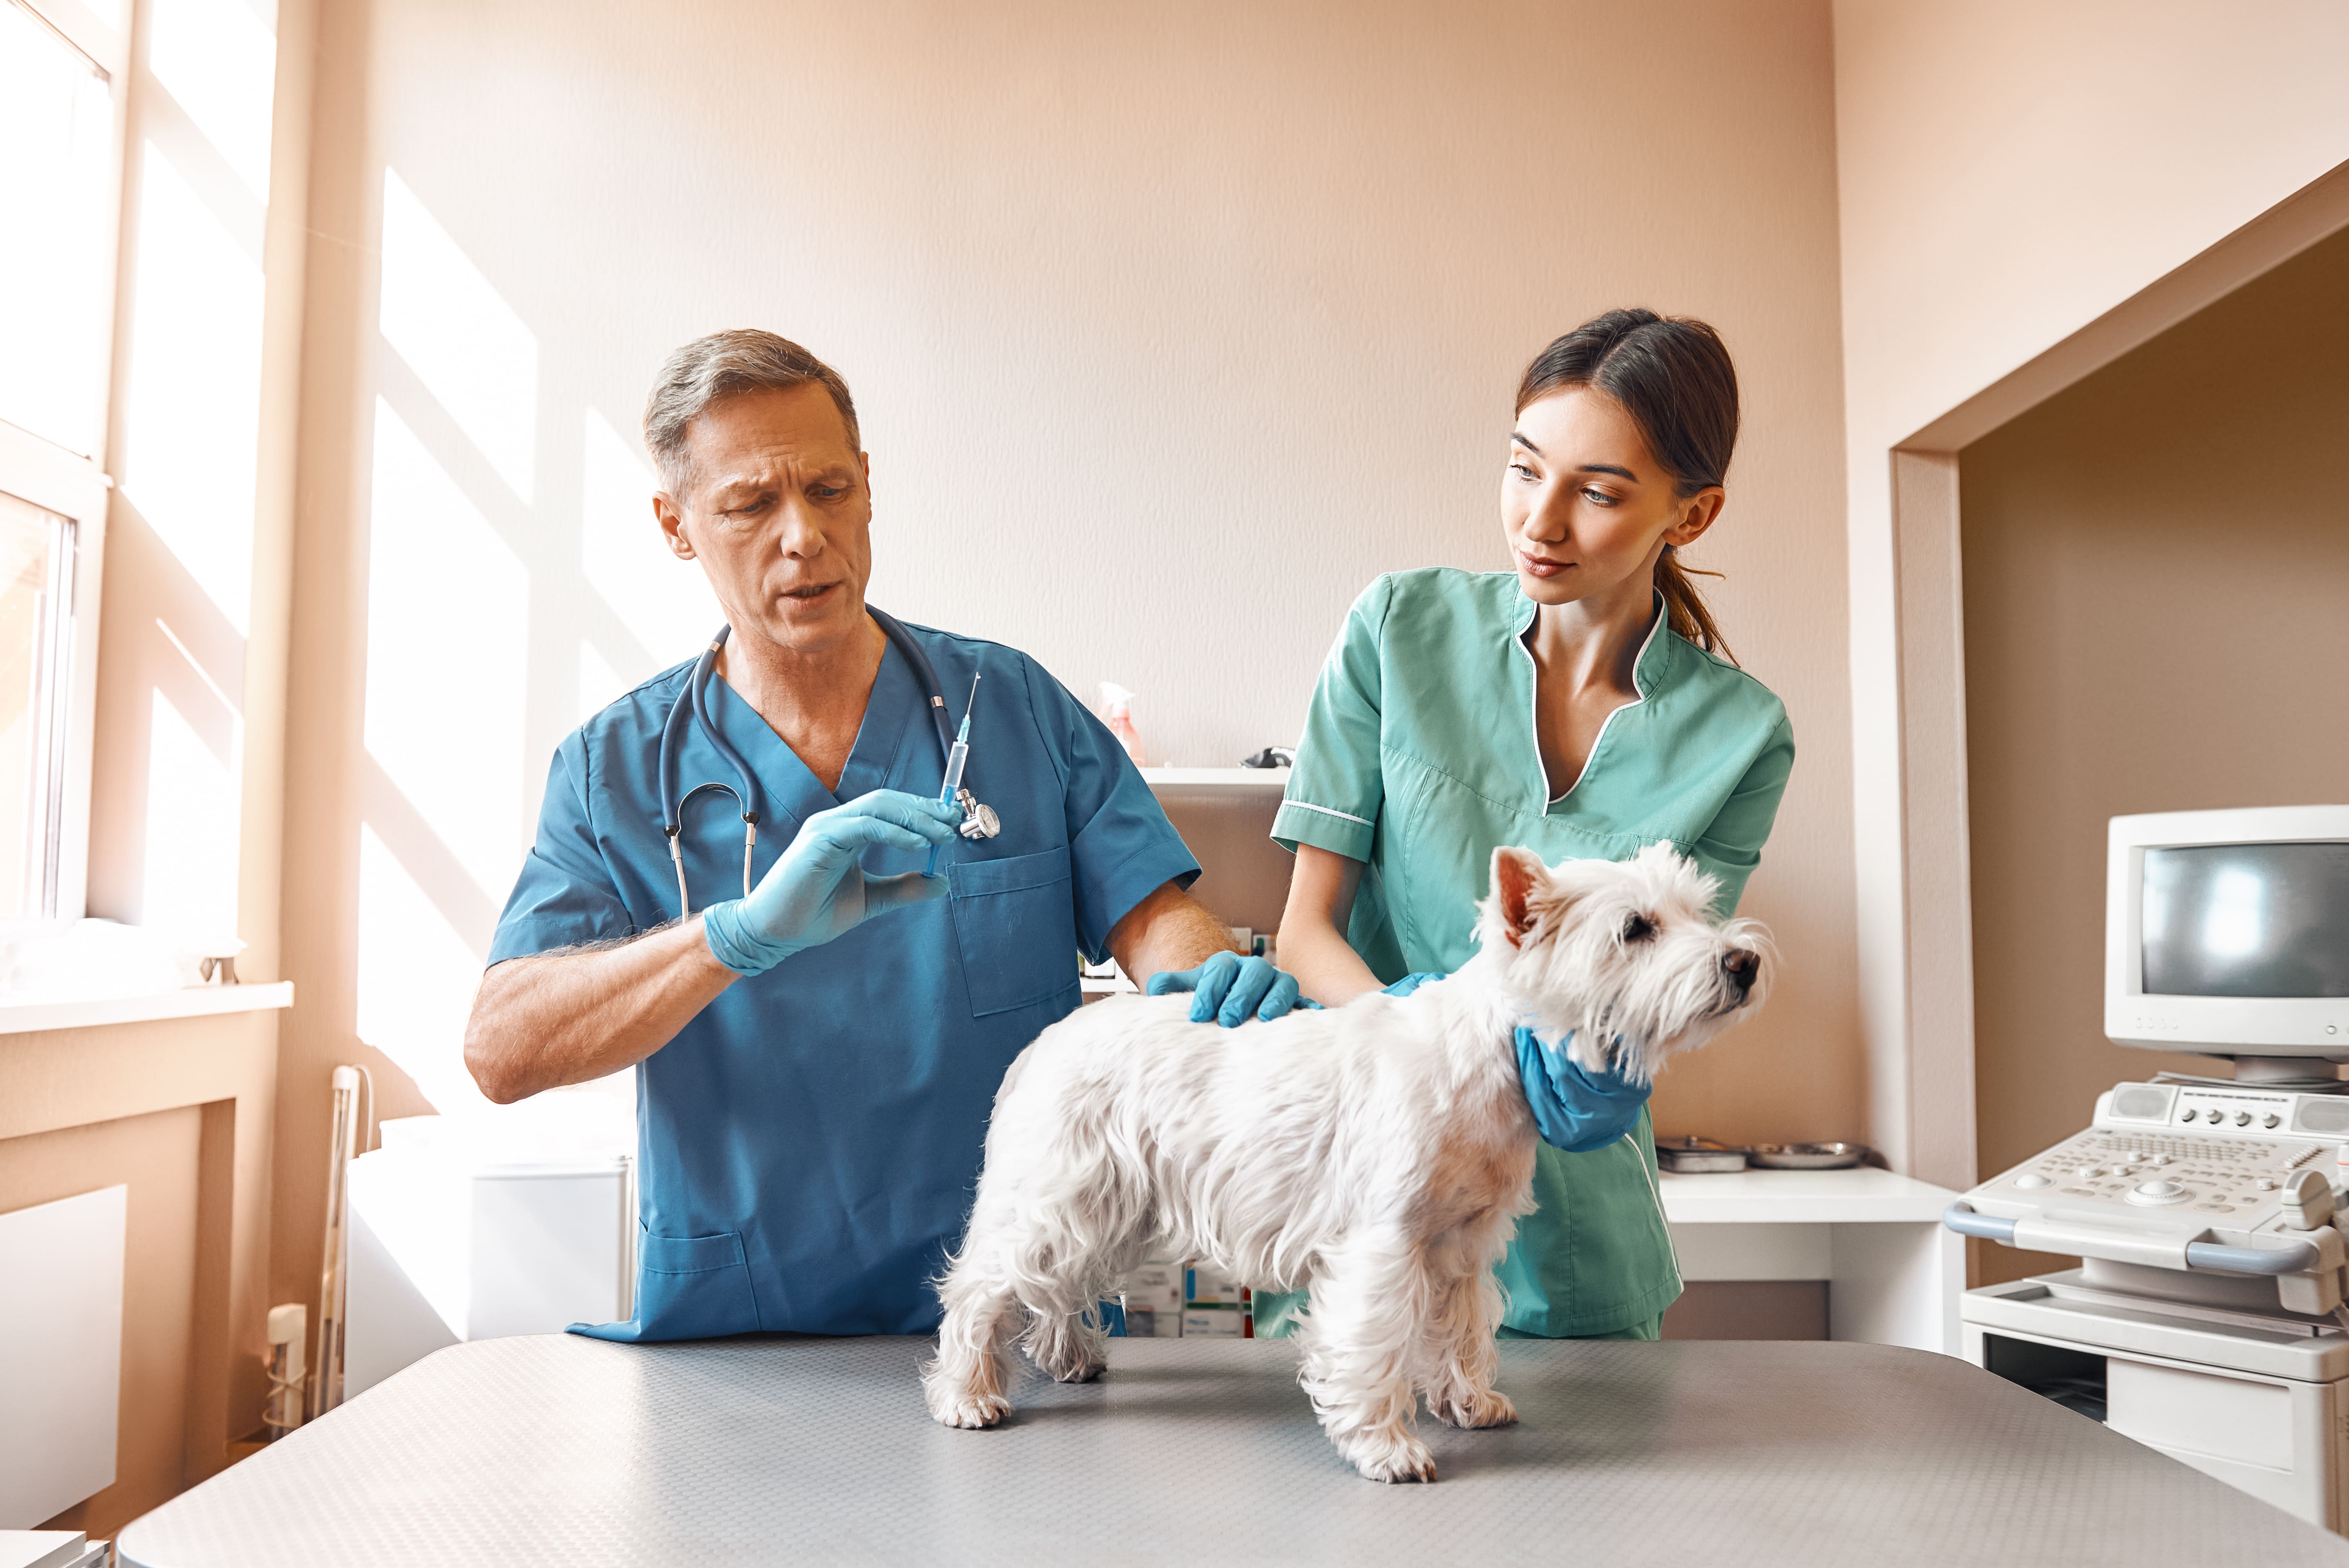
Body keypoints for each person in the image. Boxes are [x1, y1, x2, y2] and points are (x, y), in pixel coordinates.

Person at [463, 330, 1302, 1340]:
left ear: (867, 486)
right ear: (675, 524)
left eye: (827, 491)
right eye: (748, 504)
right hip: (743, 1336)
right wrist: (726, 939)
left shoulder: (1013, 707)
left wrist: (1208, 984)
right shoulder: (618, 769)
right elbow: (502, 1050)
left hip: (1019, 1317)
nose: (802, 536)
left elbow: (1157, 918)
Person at [1260, 308, 1796, 1340]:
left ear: (1692, 516)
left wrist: (1606, 1081)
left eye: (1596, 492)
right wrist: (1417, 1063)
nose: (1538, 523)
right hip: (1372, 1198)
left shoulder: (1742, 734)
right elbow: (1304, 932)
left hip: (1580, 1243)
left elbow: (1681, 980)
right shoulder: (1396, 631)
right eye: (1522, 468)